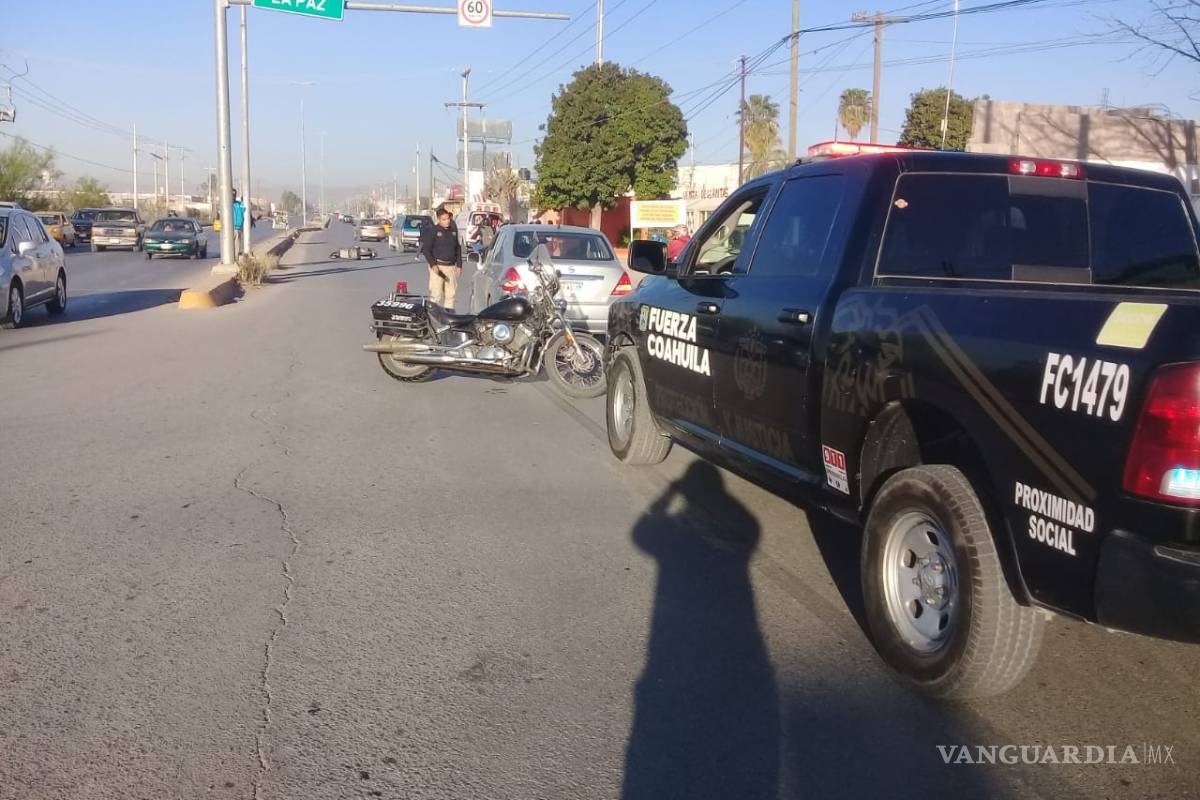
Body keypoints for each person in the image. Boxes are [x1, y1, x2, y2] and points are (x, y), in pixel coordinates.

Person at [421, 206, 462, 309]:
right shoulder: (433, 231)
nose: (447, 221)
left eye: (448, 219)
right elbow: (426, 250)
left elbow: (458, 248)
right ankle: (433, 315)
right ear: (439, 220)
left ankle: (449, 314)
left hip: (451, 267)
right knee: (436, 294)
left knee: (450, 295)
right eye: (444, 219)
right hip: (438, 267)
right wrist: (433, 265)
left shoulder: (453, 230)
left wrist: (459, 265)